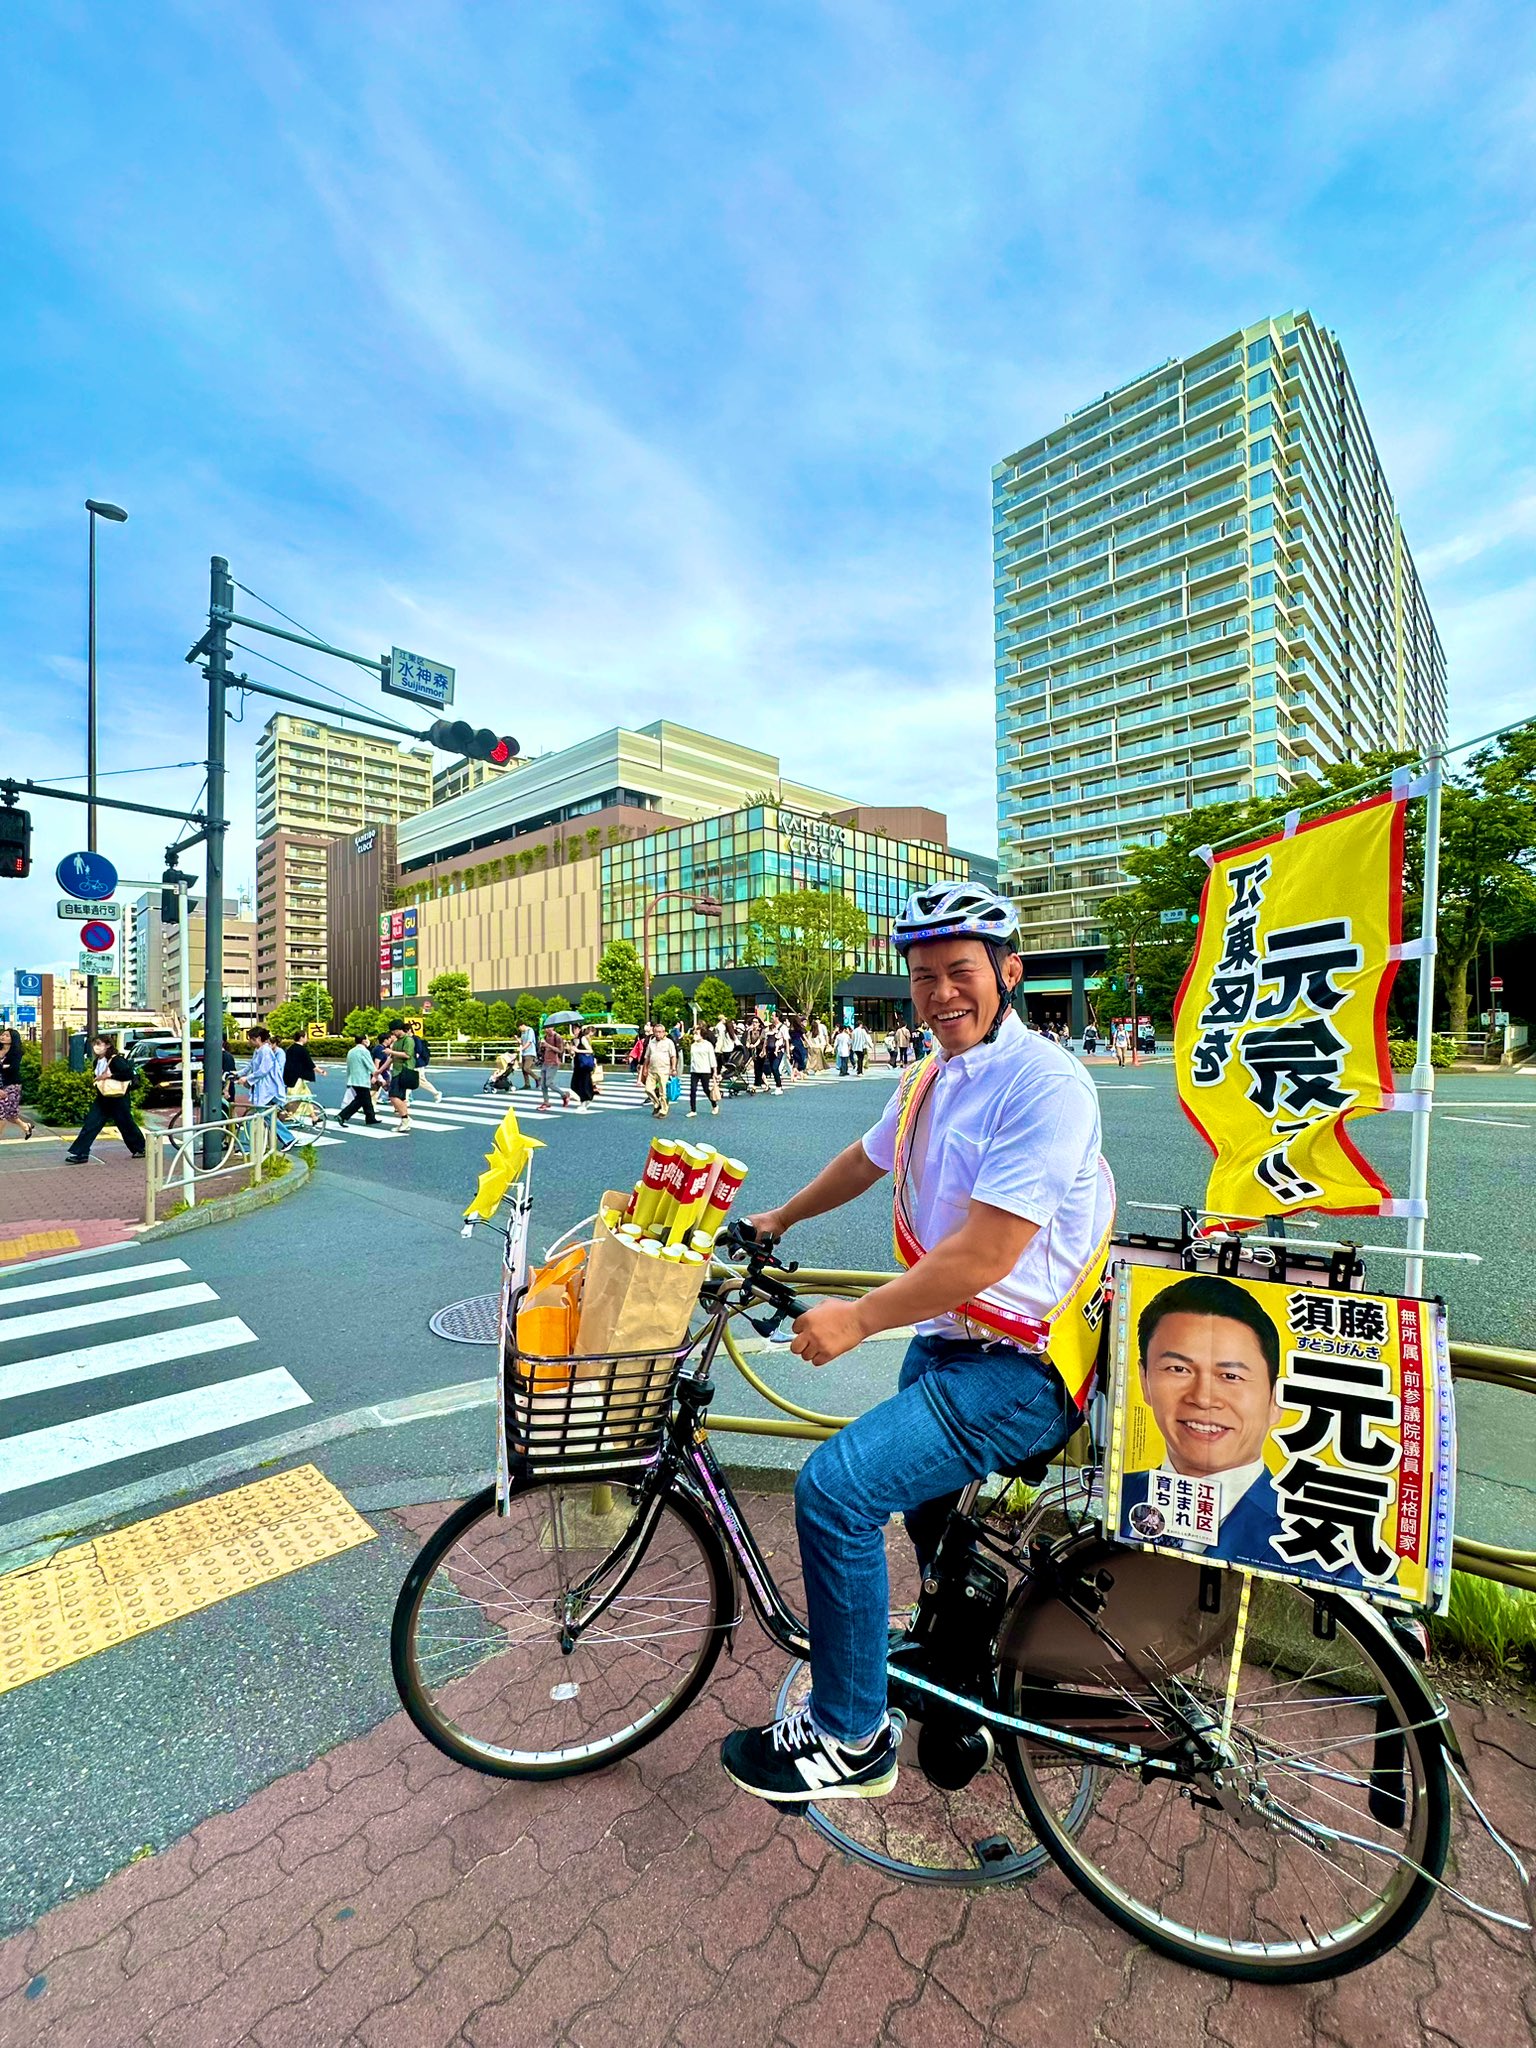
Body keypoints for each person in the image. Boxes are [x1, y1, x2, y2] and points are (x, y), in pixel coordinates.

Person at [719, 881, 1113, 1804]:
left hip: (1021, 1366)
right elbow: (867, 1159)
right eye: (924, 976)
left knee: (835, 1491)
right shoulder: (928, 1077)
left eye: (961, 973)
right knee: (933, 1518)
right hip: (947, 1348)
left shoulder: (1044, 1081)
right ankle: (966, 1660)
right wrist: (775, 1218)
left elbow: (986, 1251)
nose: (941, 994)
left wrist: (854, 1318)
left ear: (1009, 974)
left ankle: (851, 1738)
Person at [1118, 1275, 1285, 1565]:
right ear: (1144, 1380)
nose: (1203, 1399)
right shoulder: (1119, 1496)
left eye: (1230, 1376)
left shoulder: (1318, 1548)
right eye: (1178, 1369)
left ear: (1275, 1399)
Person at [65, 1033, 147, 1164]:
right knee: (91, 1124)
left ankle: (141, 1148)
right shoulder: (97, 1061)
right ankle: (81, 1153)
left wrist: (110, 1076)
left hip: (118, 1098)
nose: (95, 1047)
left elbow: (127, 1074)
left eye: (98, 1044)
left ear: (108, 1045)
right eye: (94, 1044)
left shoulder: (116, 1060)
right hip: (103, 1098)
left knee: (126, 1123)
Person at [238, 1026, 297, 1149]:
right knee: (266, 1115)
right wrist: (238, 1074)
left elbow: (263, 1070)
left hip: (268, 1089)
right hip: (264, 1089)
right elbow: (251, 1065)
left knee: (258, 1115)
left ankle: (247, 1147)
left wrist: (247, 1078)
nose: (249, 1041)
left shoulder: (265, 1051)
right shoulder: (259, 1050)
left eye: (251, 1039)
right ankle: (287, 1138)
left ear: (258, 1038)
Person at [337, 1032, 380, 1126]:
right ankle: (342, 1115)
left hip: (353, 1079)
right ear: (364, 1041)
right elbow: (371, 1066)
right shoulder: (364, 1051)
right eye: (367, 1039)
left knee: (366, 1099)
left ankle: (370, 1117)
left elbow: (348, 1067)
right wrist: (378, 1077)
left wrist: (348, 1079)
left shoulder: (351, 1051)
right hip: (362, 1080)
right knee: (360, 1100)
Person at [381, 1026, 418, 1134]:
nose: (393, 1033)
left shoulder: (408, 1040)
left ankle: (405, 1119)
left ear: (399, 1029)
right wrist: (379, 1071)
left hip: (405, 1071)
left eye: (394, 1031)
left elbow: (407, 1055)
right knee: (399, 1097)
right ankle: (405, 1120)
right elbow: (391, 1058)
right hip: (397, 1072)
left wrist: (391, 1051)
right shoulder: (397, 1042)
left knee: (393, 1096)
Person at [0, 1026, 34, 1140]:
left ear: (12, 1039)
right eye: (2, 1034)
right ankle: (26, 1126)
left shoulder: (15, 1053)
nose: (3, 1037)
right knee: (11, 1115)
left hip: (11, 1086)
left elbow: (12, 1069)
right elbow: (5, 1068)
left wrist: (3, 1067)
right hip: (1, 1085)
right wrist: (3, 1066)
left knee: (2, 1112)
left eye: (7, 1035)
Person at [642, 1020, 678, 1116]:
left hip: (664, 1070)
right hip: (652, 1070)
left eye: (660, 1032)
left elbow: (673, 1056)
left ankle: (664, 1110)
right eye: (656, 1032)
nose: (658, 1034)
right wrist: (645, 1068)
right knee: (648, 1089)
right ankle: (656, 1103)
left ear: (664, 1032)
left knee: (663, 1092)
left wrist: (673, 1068)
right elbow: (647, 1056)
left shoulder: (669, 1042)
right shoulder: (651, 1042)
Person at [686, 1025, 719, 1116]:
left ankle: (714, 1104)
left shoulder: (708, 1045)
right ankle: (693, 1110)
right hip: (694, 1070)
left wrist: (714, 1071)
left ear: (702, 1035)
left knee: (706, 1089)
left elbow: (712, 1058)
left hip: (705, 1070)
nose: (694, 1035)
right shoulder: (693, 1045)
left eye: (696, 1033)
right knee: (693, 1089)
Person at [539, 1022, 573, 1110]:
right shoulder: (545, 1037)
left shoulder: (557, 1037)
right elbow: (543, 1050)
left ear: (553, 1027)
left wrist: (548, 1045)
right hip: (545, 1062)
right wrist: (542, 1047)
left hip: (554, 1062)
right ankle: (546, 1102)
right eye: (545, 1028)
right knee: (542, 1084)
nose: (547, 1030)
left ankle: (564, 1094)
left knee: (549, 1083)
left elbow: (560, 1050)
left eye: (548, 1028)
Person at [411, 1025, 443, 1102]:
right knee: (412, 1081)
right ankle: (406, 1099)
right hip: (415, 1063)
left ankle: (436, 1093)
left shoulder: (415, 1039)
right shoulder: (412, 1039)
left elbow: (418, 1052)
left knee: (420, 1080)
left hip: (418, 1064)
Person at [569, 1027, 599, 1110]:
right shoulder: (573, 1040)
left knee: (584, 1084)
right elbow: (573, 1053)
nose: (574, 1031)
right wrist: (571, 1051)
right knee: (575, 1084)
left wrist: (578, 1050)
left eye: (576, 1029)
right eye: (573, 1029)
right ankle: (586, 1099)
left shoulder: (583, 1038)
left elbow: (590, 1050)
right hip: (577, 1064)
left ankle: (584, 1102)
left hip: (584, 1064)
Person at [519, 1019, 539, 1091]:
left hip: (530, 1052)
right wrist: (517, 1040)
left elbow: (529, 1042)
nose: (520, 1029)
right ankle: (527, 1084)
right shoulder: (523, 1032)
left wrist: (522, 1049)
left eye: (520, 1027)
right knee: (523, 1070)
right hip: (524, 1053)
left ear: (523, 1025)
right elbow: (522, 1042)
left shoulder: (530, 1030)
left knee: (526, 1068)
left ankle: (538, 1078)